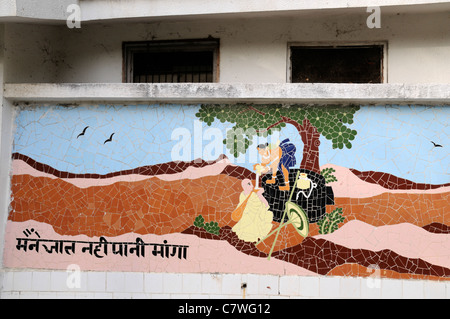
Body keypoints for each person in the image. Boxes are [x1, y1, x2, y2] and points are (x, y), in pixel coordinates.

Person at [231, 179, 274, 243]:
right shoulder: (243, 195)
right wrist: (259, 194)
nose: (252, 186)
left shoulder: (251, 194)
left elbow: (264, 204)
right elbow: (265, 204)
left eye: (251, 184)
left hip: (254, 217)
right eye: (249, 184)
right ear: (244, 186)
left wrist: (259, 194)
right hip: (246, 217)